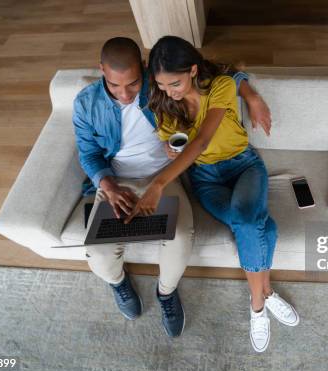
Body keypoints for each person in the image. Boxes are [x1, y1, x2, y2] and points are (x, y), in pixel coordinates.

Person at [72, 37, 270, 337]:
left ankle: (166, 293)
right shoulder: (87, 103)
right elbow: (88, 153)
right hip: (116, 179)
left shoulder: (161, 84)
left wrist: (251, 94)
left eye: (132, 85)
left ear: (143, 69)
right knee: (98, 253)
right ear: (101, 71)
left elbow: (217, 75)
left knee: (181, 238)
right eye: (114, 86)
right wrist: (108, 186)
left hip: (166, 174)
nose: (124, 95)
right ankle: (118, 282)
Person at [125, 35, 299, 352]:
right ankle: (268, 291)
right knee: (257, 223)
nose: (168, 92)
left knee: (247, 221)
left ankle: (257, 306)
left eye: (174, 83)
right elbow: (180, 140)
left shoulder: (219, 87)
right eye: (162, 85)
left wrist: (159, 184)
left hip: (243, 165)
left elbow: (202, 141)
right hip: (205, 180)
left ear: (193, 70)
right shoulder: (162, 102)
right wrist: (168, 146)